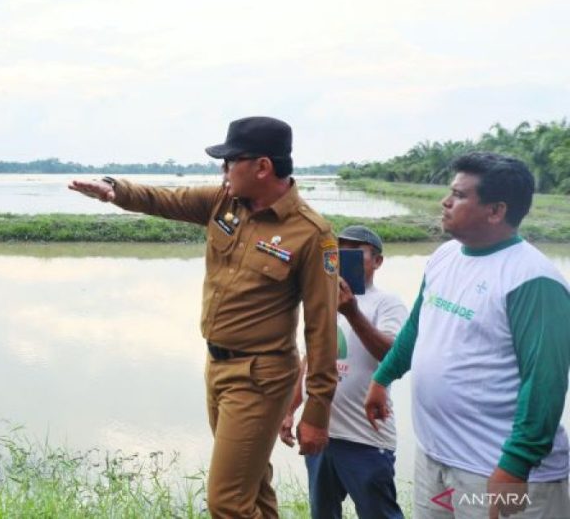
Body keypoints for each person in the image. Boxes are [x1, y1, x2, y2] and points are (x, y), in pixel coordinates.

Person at [68, 116, 339, 519]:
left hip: (260, 378)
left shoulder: (311, 233)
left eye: (230, 161)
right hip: (218, 367)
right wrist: (116, 191)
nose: (223, 169)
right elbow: (165, 199)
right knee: (253, 489)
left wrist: (317, 413)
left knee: (227, 503)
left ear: (262, 167)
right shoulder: (222, 203)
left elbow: (321, 330)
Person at [365, 152, 570, 518]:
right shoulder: (445, 256)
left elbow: (546, 382)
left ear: (496, 211)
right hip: (436, 459)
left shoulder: (533, 280)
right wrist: (383, 377)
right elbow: (418, 327)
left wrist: (515, 466)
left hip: (492, 469)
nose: (445, 202)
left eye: (459, 195)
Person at [279, 224, 408, 518]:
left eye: (356, 252)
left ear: (377, 261)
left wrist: (352, 312)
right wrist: (290, 410)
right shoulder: (321, 301)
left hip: (366, 439)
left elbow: (392, 356)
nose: (345, 257)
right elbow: (308, 361)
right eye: (340, 252)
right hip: (321, 434)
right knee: (323, 513)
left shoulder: (387, 303)